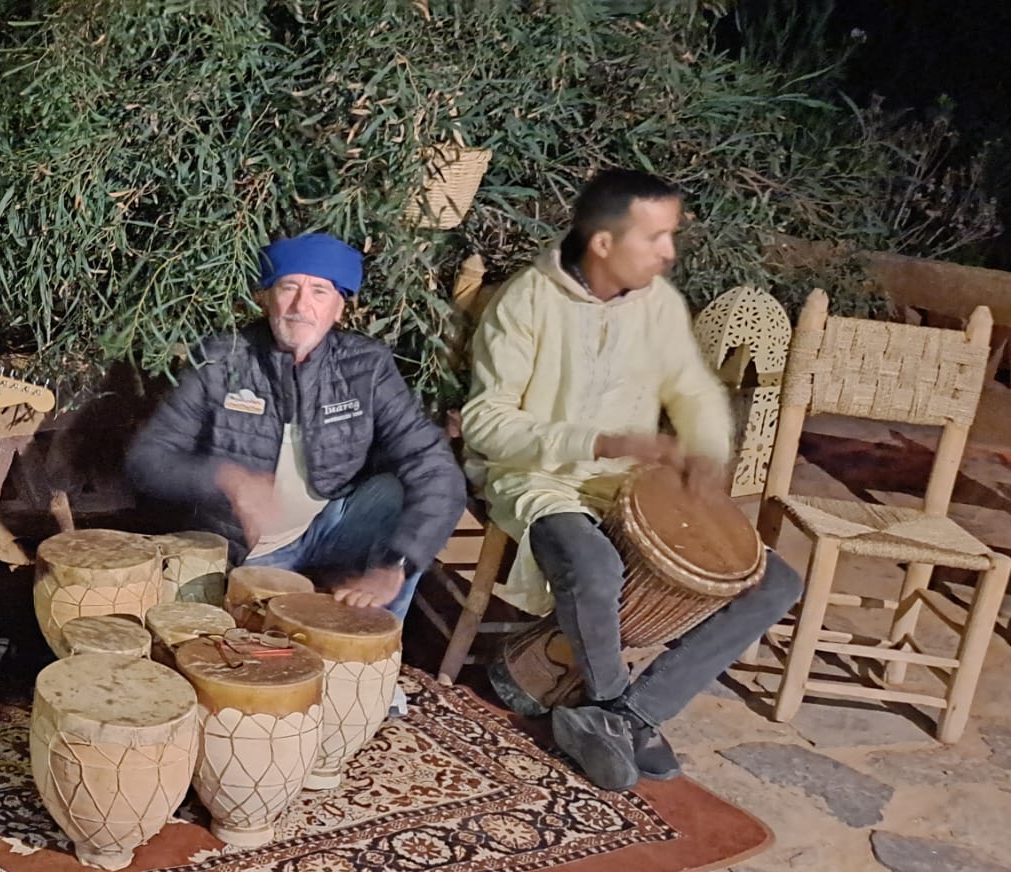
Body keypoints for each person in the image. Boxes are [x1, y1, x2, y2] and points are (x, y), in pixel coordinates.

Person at [460, 169, 803, 792]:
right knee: (594, 567)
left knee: (775, 581)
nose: (668, 252)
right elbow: (486, 422)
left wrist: (705, 454)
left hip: (631, 486)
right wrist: (599, 442)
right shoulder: (524, 302)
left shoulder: (658, 304)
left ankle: (628, 715)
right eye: (655, 237)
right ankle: (614, 705)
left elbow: (694, 390)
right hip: (539, 479)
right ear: (603, 243)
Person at [126, 233, 466, 626]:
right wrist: (228, 478)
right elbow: (146, 459)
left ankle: (374, 647)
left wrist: (397, 563)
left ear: (339, 308)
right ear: (265, 297)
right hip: (248, 547)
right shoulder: (221, 359)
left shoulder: (366, 366)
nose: (301, 306)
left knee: (399, 495)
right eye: (288, 287)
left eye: (319, 292)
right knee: (229, 641)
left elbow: (435, 467)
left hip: (332, 527)